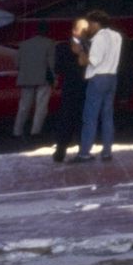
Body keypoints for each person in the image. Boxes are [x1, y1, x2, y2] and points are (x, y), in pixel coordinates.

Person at [75, 9, 122, 162]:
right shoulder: (117, 36)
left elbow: (88, 61)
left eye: (89, 24)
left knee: (90, 117)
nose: (88, 28)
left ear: (96, 23)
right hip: (112, 77)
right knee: (107, 116)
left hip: (98, 78)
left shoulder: (99, 38)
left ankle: (84, 152)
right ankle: (107, 151)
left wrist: (81, 47)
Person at [49, 18, 90, 163]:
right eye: (82, 29)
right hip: (70, 88)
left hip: (86, 88)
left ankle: (83, 150)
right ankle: (60, 150)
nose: (85, 32)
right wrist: (75, 54)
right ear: (74, 31)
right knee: (67, 119)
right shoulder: (63, 48)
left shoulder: (90, 46)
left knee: (84, 121)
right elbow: (58, 67)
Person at [13, 24, 55, 138]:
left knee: (24, 106)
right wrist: (54, 79)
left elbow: (17, 64)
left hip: (26, 77)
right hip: (43, 79)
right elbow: (51, 64)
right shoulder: (50, 43)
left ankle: (17, 131)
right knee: (41, 106)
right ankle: (35, 131)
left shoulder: (24, 44)